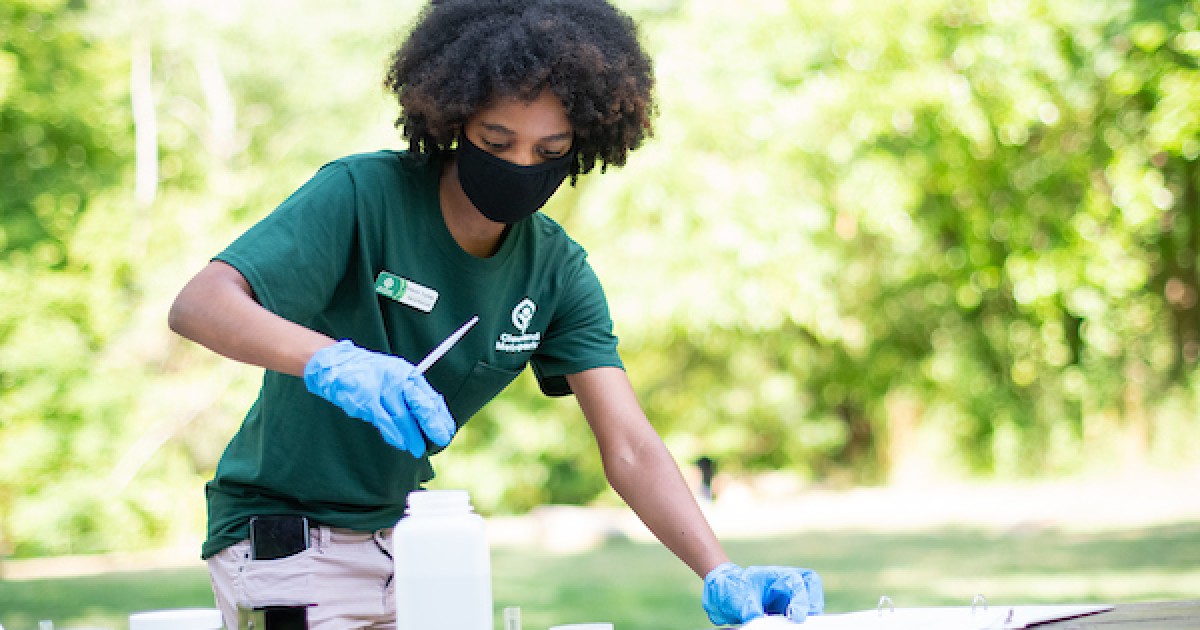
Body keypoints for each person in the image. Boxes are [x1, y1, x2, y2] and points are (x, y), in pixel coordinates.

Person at [168, 0, 824, 627]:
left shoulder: (557, 271)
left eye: (548, 152)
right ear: (454, 119)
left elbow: (629, 445)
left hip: (405, 544)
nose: (518, 165)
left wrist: (719, 570)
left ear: (585, 144)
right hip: (284, 537)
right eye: (497, 139)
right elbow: (201, 304)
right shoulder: (363, 195)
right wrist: (333, 362)